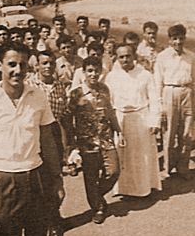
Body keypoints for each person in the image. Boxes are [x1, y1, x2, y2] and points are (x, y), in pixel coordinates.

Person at [0, 42, 64, 236]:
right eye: (11, 64)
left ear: (29, 68)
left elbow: (47, 140)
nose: (17, 70)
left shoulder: (38, 96)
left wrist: (56, 179)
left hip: (35, 178)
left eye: (22, 65)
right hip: (2, 181)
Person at [68, 56, 121, 224]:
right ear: (83, 72)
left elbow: (110, 111)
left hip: (106, 139)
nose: (93, 74)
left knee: (114, 171)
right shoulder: (76, 93)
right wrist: (72, 145)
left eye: (97, 70)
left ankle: (96, 194)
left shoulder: (105, 89)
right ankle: (97, 208)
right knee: (90, 176)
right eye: (90, 70)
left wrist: (119, 131)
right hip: (87, 142)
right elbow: (68, 119)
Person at [106, 44, 162, 197]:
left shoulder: (145, 75)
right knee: (122, 153)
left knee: (141, 155)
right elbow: (108, 101)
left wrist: (154, 121)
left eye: (128, 56)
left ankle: (144, 188)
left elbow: (154, 99)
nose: (125, 59)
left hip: (140, 119)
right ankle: (123, 189)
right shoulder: (112, 76)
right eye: (121, 57)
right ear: (117, 58)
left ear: (134, 56)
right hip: (120, 119)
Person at [26, 50, 67, 236]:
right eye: (44, 63)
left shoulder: (59, 86)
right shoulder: (30, 85)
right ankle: (45, 220)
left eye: (51, 63)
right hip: (37, 135)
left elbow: (64, 118)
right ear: (37, 66)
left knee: (56, 181)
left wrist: (68, 145)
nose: (48, 66)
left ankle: (54, 217)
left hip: (55, 135)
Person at [154, 24, 195, 179]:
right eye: (175, 39)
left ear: (185, 38)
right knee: (169, 131)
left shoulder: (191, 56)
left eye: (181, 38)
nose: (178, 42)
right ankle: (167, 167)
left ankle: (183, 167)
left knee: (186, 133)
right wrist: (160, 103)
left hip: (187, 92)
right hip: (169, 92)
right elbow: (158, 80)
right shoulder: (162, 57)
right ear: (170, 40)